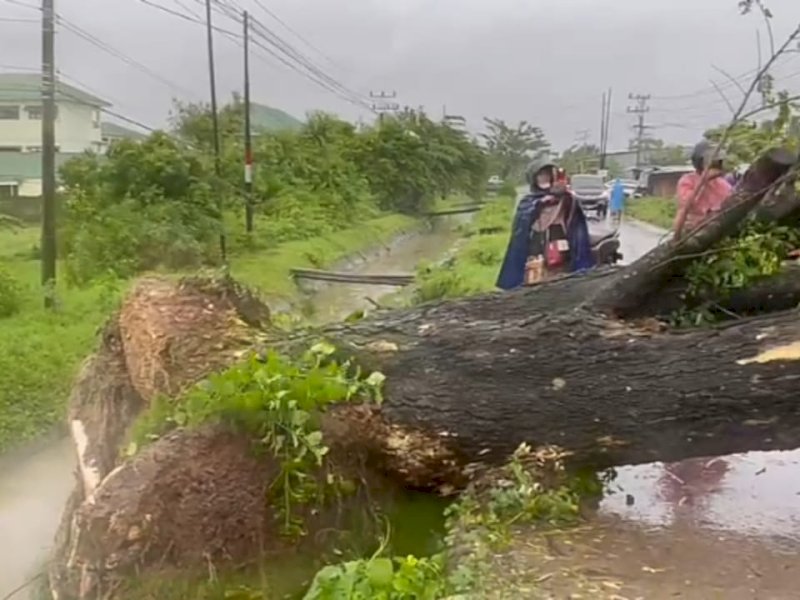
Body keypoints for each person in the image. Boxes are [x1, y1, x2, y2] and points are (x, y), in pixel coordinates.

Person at [496, 160, 595, 290]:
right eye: (541, 175)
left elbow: (575, 217)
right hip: (536, 248)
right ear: (534, 178)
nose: (545, 178)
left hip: (560, 249)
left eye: (548, 174)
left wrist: (562, 194)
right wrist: (545, 201)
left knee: (561, 285)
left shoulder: (567, 198)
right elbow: (525, 221)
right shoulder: (528, 202)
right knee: (533, 285)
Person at [673, 140, 733, 236]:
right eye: (712, 161)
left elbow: (730, 202)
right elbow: (686, 203)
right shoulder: (688, 180)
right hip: (690, 230)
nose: (715, 164)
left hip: (715, 230)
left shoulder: (722, 184)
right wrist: (703, 181)